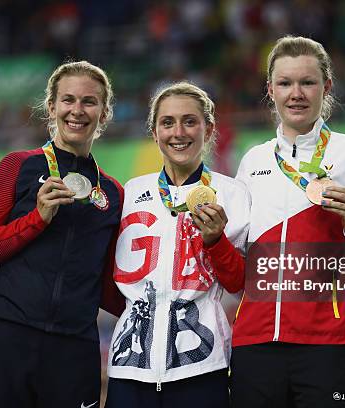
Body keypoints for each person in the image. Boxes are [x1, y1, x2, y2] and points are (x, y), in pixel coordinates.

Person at [230, 36, 345, 407]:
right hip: (256, 343)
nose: (296, 93)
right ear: (270, 90)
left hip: (330, 343)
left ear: (326, 86)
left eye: (307, 82)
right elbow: (239, 259)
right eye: (285, 83)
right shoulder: (252, 161)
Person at [0, 60, 124, 408]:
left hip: (74, 349)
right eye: (68, 100)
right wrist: (37, 218)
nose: (77, 111)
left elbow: (107, 287)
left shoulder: (113, 193)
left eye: (89, 101)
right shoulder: (18, 165)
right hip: (7, 336)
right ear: (51, 107)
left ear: (104, 113)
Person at [105, 82, 249, 408]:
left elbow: (239, 282)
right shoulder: (130, 192)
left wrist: (215, 241)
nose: (178, 132)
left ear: (208, 129)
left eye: (189, 121)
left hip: (202, 364)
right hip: (130, 367)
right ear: (154, 132)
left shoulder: (232, 193)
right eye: (167, 122)